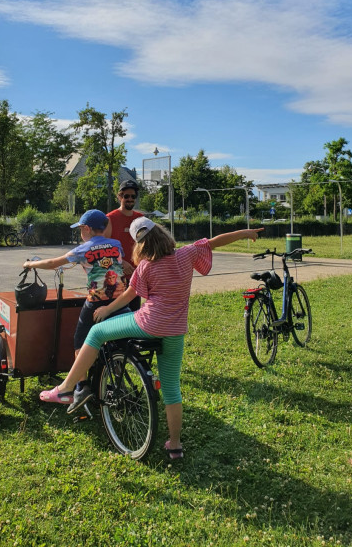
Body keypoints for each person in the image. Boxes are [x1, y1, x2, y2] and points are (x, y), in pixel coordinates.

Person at [39, 217, 264, 459]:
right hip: (175, 330)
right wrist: (246, 233)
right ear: (162, 234)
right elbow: (215, 241)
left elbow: (128, 296)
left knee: (95, 332)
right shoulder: (186, 254)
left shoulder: (146, 266)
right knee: (171, 389)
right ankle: (175, 445)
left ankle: (66, 388)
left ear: (139, 244)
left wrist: (105, 310)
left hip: (147, 324)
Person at [22, 209, 130, 405]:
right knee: (116, 341)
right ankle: (117, 378)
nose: (80, 233)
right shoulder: (117, 244)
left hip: (97, 302)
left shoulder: (84, 249)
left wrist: (31, 265)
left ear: (87, 229)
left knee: (80, 342)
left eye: (80, 229)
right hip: (119, 301)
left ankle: (80, 387)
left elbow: (55, 263)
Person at [105, 179, 143, 311]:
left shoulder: (140, 219)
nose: (130, 199)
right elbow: (104, 247)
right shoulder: (110, 218)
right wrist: (120, 262)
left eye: (133, 196)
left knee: (134, 315)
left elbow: (147, 245)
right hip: (115, 279)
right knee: (115, 316)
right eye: (126, 196)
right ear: (119, 196)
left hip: (136, 277)